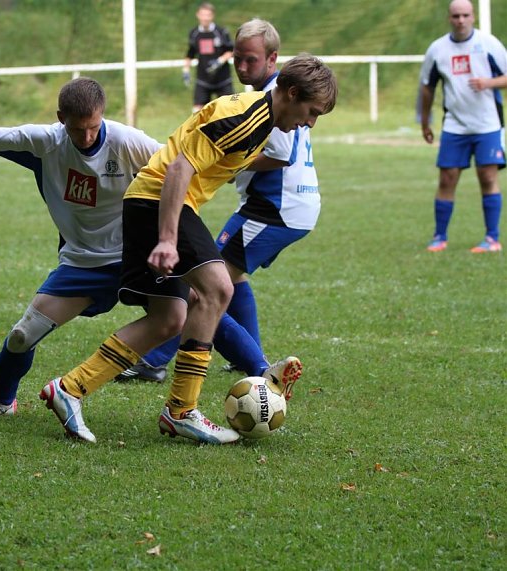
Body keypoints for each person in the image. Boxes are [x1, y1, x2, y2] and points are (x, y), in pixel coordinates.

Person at [39, 54, 338, 445]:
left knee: (168, 319)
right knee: (218, 289)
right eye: (311, 112)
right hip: (157, 201)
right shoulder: (247, 116)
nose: (310, 123)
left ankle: (71, 388)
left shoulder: (261, 120)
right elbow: (179, 169)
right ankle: (181, 410)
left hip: (154, 201)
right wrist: (166, 238)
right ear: (292, 93)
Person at [0, 78, 162, 418]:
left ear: (103, 115)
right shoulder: (44, 141)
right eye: (77, 129)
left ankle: (252, 369)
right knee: (23, 335)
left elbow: (177, 163)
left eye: (93, 127)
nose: (86, 138)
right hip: (81, 264)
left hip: (135, 258)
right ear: (60, 118)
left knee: (196, 308)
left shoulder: (128, 141)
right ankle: (0, 401)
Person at [120, 18, 320, 383]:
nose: (243, 68)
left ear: (273, 60)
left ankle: (156, 359)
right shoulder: (275, 97)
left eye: (252, 61)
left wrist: (221, 165)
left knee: (206, 286)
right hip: (285, 207)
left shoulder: (278, 102)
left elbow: (279, 156)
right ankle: (253, 361)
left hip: (274, 207)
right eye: (238, 60)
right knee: (230, 279)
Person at [419, 0, 506, 253]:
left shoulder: (489, 44)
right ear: (449, 18)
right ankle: (439, 237)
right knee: (447, 179)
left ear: (473, 17)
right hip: (455, 125)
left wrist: (488, 83)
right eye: (456, 16)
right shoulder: (437, 49)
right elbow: (427, 86)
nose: (460, 20)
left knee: (488, 176)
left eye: (465, 15)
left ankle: (492, 239)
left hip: (488, 124)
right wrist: (425, 121)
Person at [183, 2, 235, 114]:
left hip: (222, 79)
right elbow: (190, 54)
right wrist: (185, 70)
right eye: (203, 15)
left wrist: (219, 61)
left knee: (229, 111)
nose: (205, 18)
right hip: (203, 79)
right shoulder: (194, 34)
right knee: (198, 113)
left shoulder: (221, 32)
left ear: (212, 16)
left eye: (208, 15)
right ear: (198, 15)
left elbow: (231, 50)